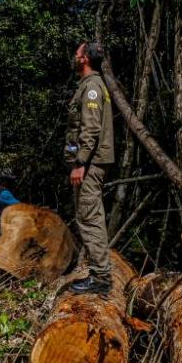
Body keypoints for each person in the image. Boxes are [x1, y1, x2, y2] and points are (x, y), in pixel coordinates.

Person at [65, 41, 115, 296]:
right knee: (89, 216)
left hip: (91, 163)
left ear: (84, 59)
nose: (74, 57)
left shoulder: (93, 87)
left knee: (89, 217)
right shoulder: (90, 85)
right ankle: (100, 274)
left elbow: (91, 129)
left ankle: (101, 278)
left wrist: (80, 162)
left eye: (77, 54)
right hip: (91, 161)